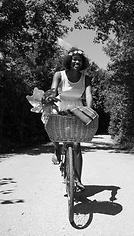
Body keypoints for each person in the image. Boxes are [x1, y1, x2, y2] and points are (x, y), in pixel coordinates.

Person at [45, 47, 92, 191]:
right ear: (69, 60)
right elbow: (53, 89)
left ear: (82, 63)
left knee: (77, 145)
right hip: (60, 105)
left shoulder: (86, 78)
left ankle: (77, 179)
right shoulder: (59, 75)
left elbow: (88, 95)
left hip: (77, 108)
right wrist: (49, 97)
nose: (77, 62)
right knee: (51, 124)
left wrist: (89, 109)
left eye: (80, 60)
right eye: (74, 59)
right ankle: (56, 147)